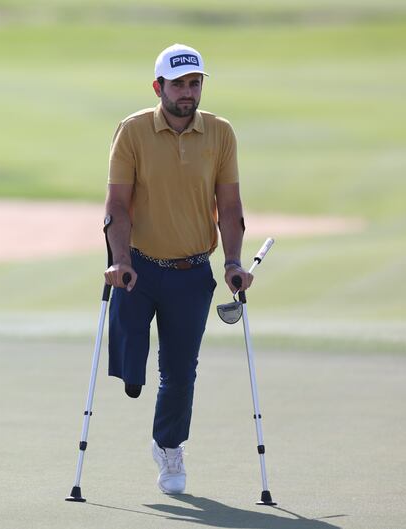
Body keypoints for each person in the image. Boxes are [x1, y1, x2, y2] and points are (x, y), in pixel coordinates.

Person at [103, 43, 253, 495]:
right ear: (159, 87)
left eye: (195, 83)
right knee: (132, 369)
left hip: (192, 272)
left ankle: (168, 448)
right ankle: (131, 374)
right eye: (179, 84)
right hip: (140, 267)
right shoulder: (132, 132)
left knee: (180, 371)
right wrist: (121, 261)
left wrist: (231, 262)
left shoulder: (221, 133)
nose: (188, 93)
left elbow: (229, 207)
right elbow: (117, 205)